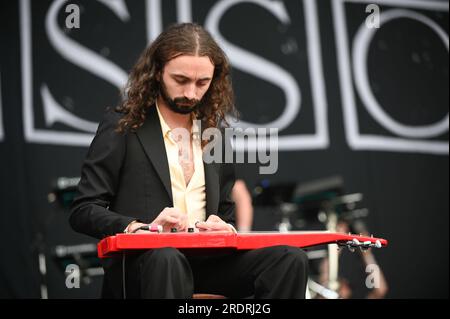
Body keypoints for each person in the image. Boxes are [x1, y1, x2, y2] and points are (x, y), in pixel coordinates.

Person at [69, 23, 309, 299]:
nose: (191, 93)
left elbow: (227, 213)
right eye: (181, 80)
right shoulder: (123, 124)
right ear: (157, 72)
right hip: (145, 264)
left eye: (202, 83)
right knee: (166, 258)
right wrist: (136, 227)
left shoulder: (214, 131)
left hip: (208, 263)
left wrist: (225, 227)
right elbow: (84, 209)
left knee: (290, 259)